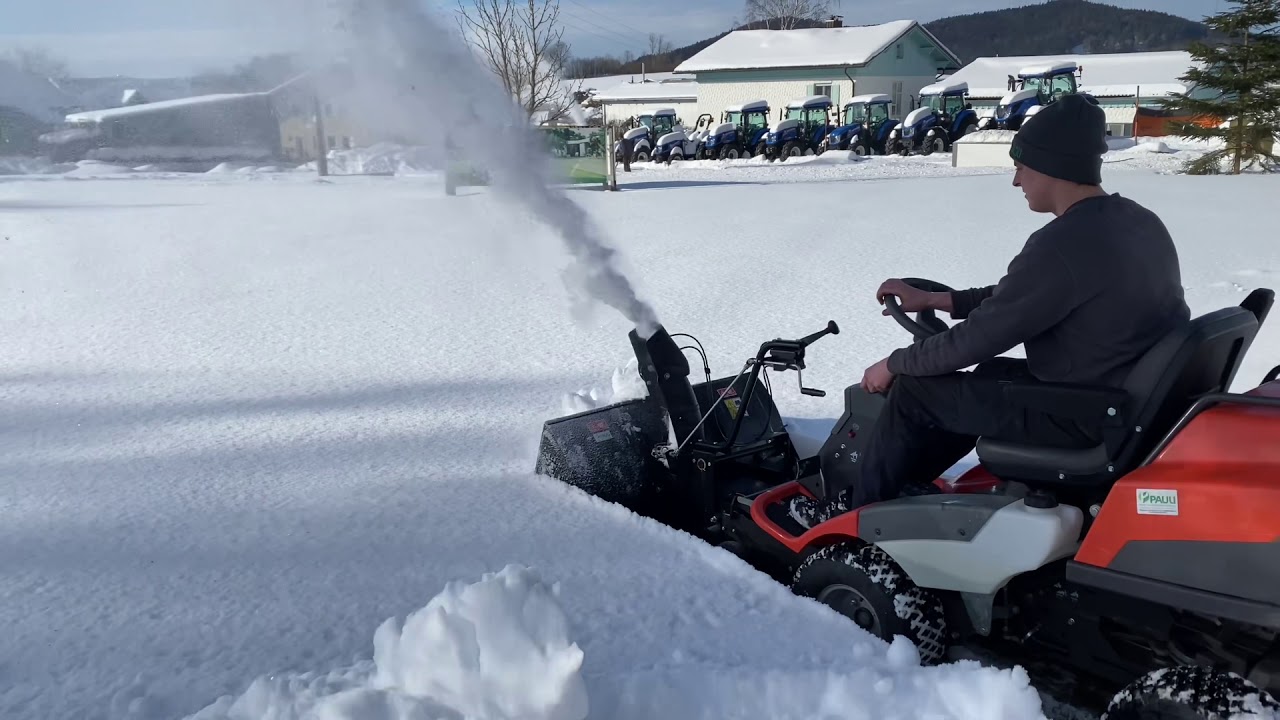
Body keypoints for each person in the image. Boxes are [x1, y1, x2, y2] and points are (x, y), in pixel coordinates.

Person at [789, 94, 1190, 529]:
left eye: (1021, 166)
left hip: (1085, 416)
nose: (1016, 181)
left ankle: (858, 522)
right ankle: (902, 487)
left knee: (915, 390)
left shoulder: (1062, 244)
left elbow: (976, 339)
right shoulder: (1134, 220)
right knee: (986, 375)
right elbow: (1022, 297)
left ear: (1049, 166)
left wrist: (893, 363)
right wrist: (941, 300)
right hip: (1116, 398)